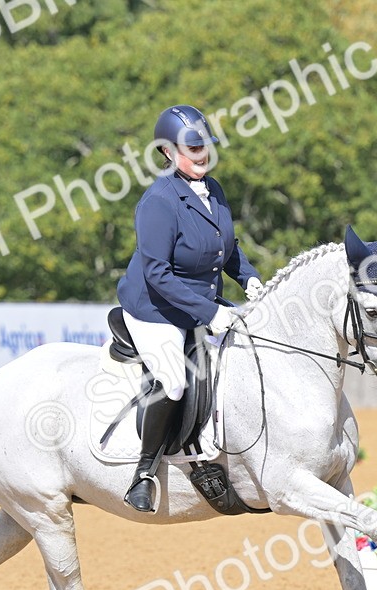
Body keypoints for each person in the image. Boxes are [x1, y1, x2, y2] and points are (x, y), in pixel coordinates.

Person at [115, 104, 263, 513]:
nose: (202, 155)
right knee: (175, 380)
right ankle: (143, 473)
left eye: (205, 148)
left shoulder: (213, 189)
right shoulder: (158, 202)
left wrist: (249, 278)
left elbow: (226, 249)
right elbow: (158, 275)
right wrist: (212, 313)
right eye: (192, 148)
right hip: (155, 308)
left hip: (199, 300)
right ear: (167, 151)